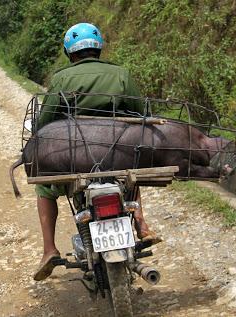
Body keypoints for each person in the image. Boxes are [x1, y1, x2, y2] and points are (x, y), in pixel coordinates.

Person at [33, 23, 161, 281]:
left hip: (76, 157)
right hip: (115, 153)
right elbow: (142, 114)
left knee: (44, 187)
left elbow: (45, 123)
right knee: (129, 172)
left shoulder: (62, 78)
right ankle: (141, 225)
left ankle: (49, 249)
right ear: (99, 48)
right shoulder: (121, 74)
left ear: (70, 53)